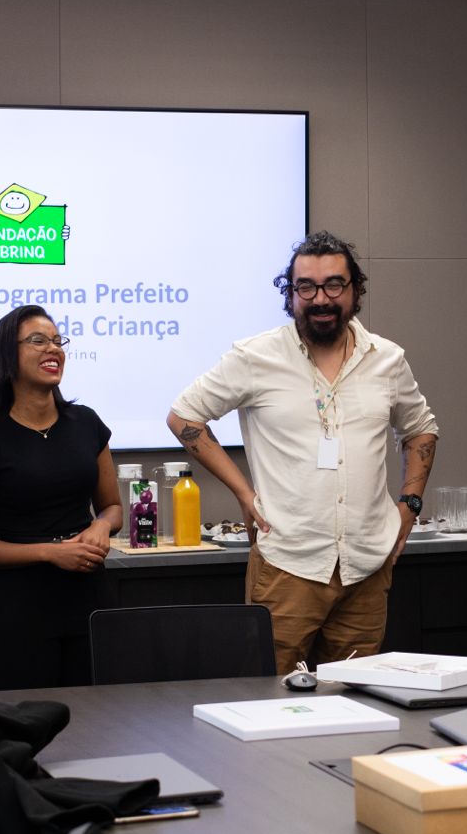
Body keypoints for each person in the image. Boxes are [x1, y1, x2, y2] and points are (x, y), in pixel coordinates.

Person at [168, 231, 440, 675]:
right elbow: (184, 418)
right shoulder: (255, 357)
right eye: (306, 287)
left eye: (334, 285)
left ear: (355, 290)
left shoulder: (386, 359)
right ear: (289, 293)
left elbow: (421, 430)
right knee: (269, 700)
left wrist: (410, 502)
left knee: (355, 703)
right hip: (288, 565)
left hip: (367, 567)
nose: (320, 298)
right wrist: (243, 493)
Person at [0, 304, 121, 689]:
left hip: (90, 601)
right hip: (18, 611)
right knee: (32, 729)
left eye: (57, 341)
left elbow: (112, 507)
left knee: (101, 724)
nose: (54, 349)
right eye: (37, 341)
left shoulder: (87, 424)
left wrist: (100, 525)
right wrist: (51, 552)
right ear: (8, 356)